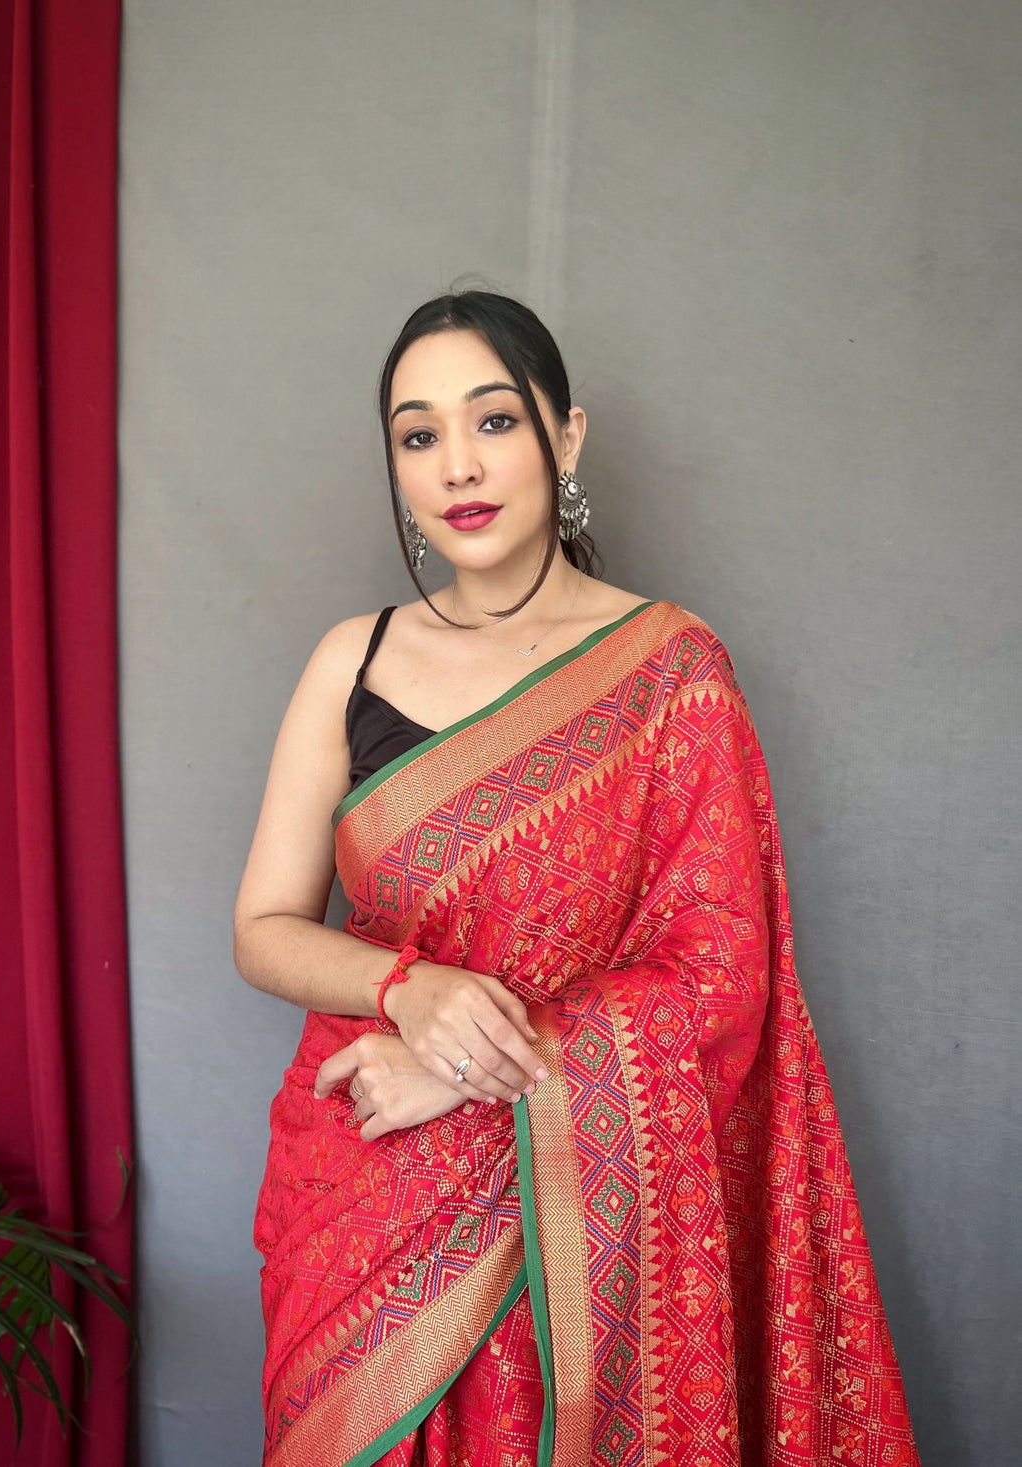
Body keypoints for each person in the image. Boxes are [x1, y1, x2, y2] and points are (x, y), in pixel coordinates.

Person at [234, 291, 921, 1467]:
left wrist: (461, 1070)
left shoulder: (670, 674)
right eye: (416, 434)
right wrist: (410, 994)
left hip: (568, 1208)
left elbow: (722, 979)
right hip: (364, 1182)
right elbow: (264, 927)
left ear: (566, 437)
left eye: (493, 421)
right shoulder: (351, 662)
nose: (457, 463)